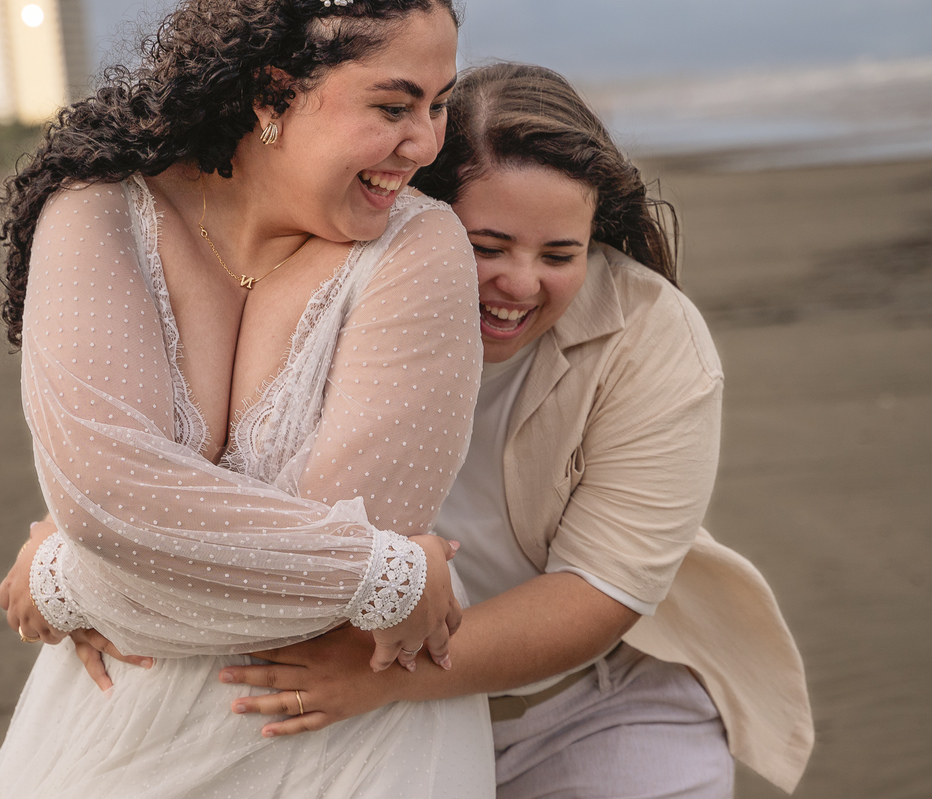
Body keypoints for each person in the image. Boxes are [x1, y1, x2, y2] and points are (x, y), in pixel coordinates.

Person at [219, 63, 814, 797]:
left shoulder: (651, 335)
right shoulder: (323, 289)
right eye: (487, 247)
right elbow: (198, 441)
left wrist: (379, 677)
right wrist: (71, 538)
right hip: (363, 716)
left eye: (559, 254)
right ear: (413, 212)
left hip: (587, 708)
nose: (522, 284)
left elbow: (596, 592)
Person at [0, 0, 496, 796]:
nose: (427, 141)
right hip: (115, 739)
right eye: (394, 106)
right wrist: (393, 571)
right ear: (271, 95)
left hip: (350, 747)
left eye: (439, 104)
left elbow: (305, 594)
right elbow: (108, 496)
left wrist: (68, 573)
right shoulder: (96, 215)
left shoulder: (421, 247)